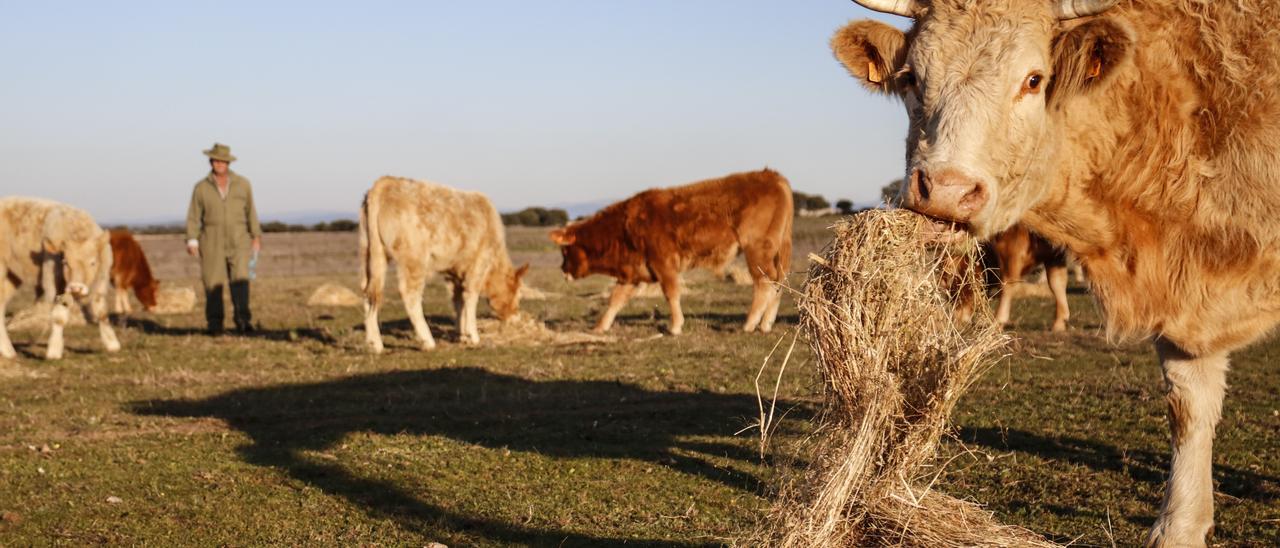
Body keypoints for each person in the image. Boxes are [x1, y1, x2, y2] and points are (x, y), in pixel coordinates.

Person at [185, 143, 262, 335]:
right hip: (211, 239)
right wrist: (192, 239)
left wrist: (256, 235)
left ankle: (243, 321)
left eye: (223, 161)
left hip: (239, 238)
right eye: (216, 160)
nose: (219, 164)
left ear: (228, 163)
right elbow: (194, 215)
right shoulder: (201, 187)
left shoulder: (243, 184)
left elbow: (251, 210)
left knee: (241, 282)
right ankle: (215, 324)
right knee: (212, 282)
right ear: (211, 161)